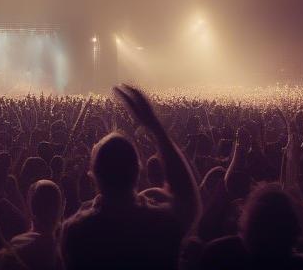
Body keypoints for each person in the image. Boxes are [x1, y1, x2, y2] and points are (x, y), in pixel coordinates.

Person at [60, 84, 201, 270]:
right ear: (138, 169)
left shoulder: (76, 231)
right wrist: (155, 127)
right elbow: (187, 198)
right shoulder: (158, 224)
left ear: (92, 175)